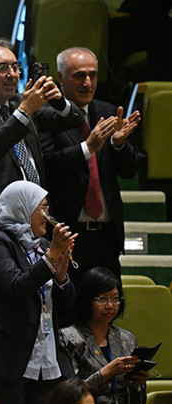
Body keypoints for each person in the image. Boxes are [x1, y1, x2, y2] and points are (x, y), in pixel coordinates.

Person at [0, 38, 82, 260]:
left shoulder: (19, 104)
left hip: (34, 225)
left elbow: (74, 119)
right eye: (2, 67)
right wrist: (24, 111)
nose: (12, 74)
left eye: (15, 67)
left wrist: (59, 100)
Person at [0, 181, 77, 404]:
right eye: (42, 208)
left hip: (46, 360)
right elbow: (16, 286)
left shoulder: (42, 245)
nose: (48, 215)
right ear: (22, 207)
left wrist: (61, 275)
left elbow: (66, 307)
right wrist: (52, 256)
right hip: (9, 362)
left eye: (48, 207)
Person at [61, 267, 172, 404]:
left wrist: (138, 383)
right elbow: (68, 393)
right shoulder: (70, 337)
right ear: (87, 300)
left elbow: (138, 402)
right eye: (102, 299)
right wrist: (105, 374)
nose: (110, 305)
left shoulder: (126, 339)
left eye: (115, 298)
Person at [41, 47, 141, 279]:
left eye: (92, 75)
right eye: (79, 76)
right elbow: (48, 165)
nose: (87, 83)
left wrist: (119, 145)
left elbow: (129, 171)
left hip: (107, 236)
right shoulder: (46, 115)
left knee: (108, 299)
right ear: (60, 78)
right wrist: (87, 148)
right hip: (67, 234)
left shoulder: (108, 112)